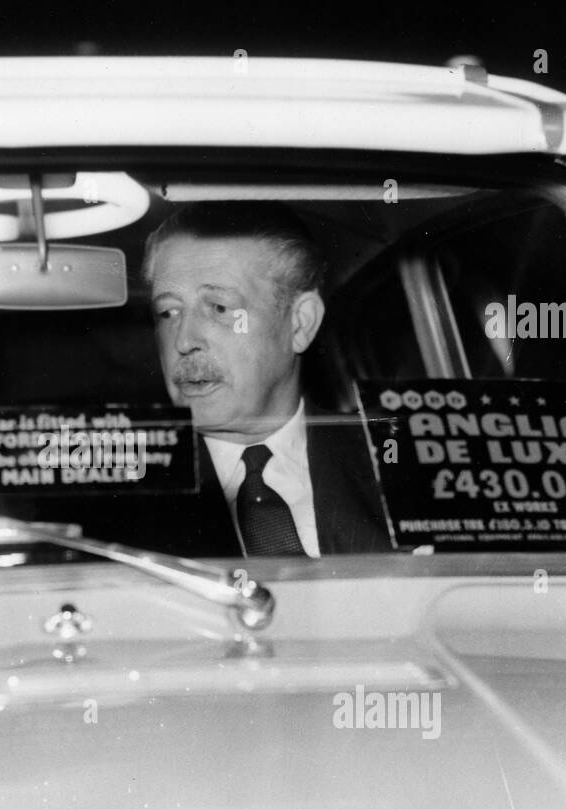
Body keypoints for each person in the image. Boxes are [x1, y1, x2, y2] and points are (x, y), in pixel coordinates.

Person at [142, 203, 389, 557]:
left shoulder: (399, 463)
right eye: (168, 312)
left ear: (300, 324)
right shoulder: (123, 482)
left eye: (219, 308)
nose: (183, 341)